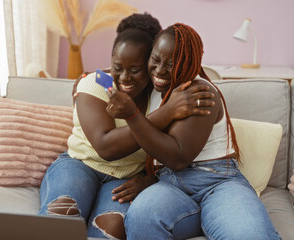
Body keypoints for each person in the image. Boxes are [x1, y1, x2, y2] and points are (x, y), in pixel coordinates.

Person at [38, 14, 214, 239]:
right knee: (62, 213)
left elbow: (170, 152)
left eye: (136, 69)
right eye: (117, 67)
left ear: (150, 65)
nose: (124, 78)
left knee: (110, 228)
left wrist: (148, 180)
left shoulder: (161, 94)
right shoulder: (99, 81)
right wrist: (166, 113)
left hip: (127, 178)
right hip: (80, 165)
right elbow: (106, 147)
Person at [106, 23, 281, 240]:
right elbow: (122, 71)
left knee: (249, 234)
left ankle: (218, 214)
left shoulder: (200, 92)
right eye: (155, 59)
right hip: (168, 185)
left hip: (216, 182)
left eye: (172, 64)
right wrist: (87, 79)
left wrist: (132, 115)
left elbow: (178, 158)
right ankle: (211, 217)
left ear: (189, 63)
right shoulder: (153, 88)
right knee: (142, 217)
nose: (159, 70)